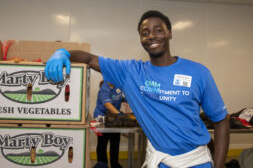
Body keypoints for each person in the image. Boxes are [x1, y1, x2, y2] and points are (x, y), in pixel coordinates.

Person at [45, 10, 230, 168]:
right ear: (141, 38)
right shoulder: (131, 73)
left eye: (158, 30)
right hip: (160, 160)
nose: (151, 36)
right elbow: (90, 59)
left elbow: (221, 120)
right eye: (145, 32)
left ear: (170, 33)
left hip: (195, 162)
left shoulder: (198, 72)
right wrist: (64, 53)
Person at [93, 80, 123, 168]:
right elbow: (108, 105)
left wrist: (126, 100)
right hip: (101, 117)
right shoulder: (104, 89)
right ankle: (102, 164)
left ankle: (115, 164)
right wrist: (119, 115)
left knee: (115, 142)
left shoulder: (118, 85)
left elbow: (116, 97)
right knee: (102, 142)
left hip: (113, 117)